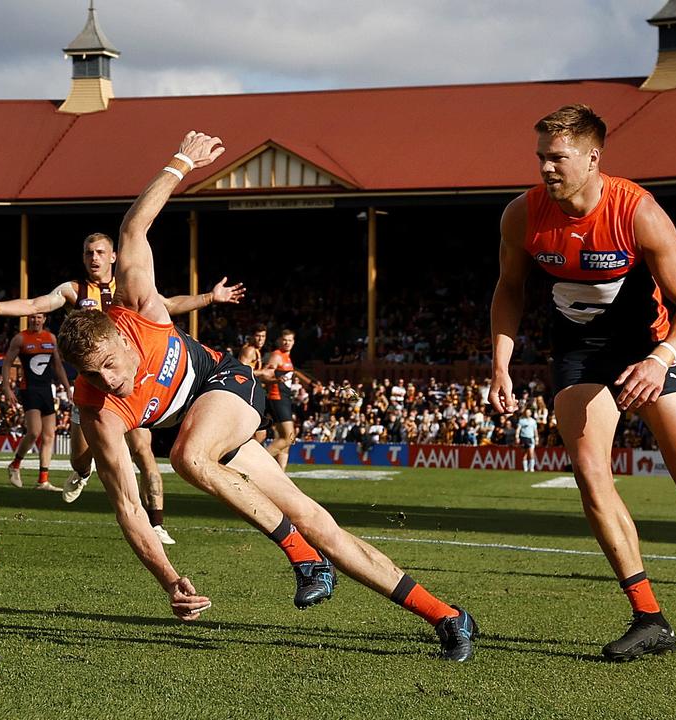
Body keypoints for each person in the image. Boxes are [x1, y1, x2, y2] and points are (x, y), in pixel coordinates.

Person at [59, 130, 476, 660]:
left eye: (110, 367)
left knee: (188, 457)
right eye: (91, 376)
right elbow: (128, 509)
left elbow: (133, 227)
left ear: (119, 335)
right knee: (318, 521)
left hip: (225, 386)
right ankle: (447, 616)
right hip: (207, 430)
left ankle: (303, 559)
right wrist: (168, 580)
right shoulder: (97, 409)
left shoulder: (137, 305)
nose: (108, 381)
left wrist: (182, 160)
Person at [489, 104, 676, 661]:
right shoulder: (522, 215)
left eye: (557, 158)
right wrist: (501, 362)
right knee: (591, 475)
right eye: (540, 158)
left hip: (649, 352)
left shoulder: (638, 211)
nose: (546, 169)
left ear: (592, 156)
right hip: (579, 357)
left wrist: (661, 357)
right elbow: (510, 289)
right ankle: (649, 617)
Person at [0, 235, 244, 545]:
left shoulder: (127, 290)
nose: (93, 257)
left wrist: (210, 297)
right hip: (94, 390)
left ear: (114, 257)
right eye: (87, 252)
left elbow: (170, 304)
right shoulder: (74, 290)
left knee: (143, 452)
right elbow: (36, 303)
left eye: (100, 252)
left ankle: (157, 523)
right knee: (79, 460)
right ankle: (83, 472)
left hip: (132, 383)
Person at [2, 312, 71, 491]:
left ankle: (43, 481)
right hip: (29, 389)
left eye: (39, 317)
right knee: (34, 432)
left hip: (46, 389)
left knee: (49, 435)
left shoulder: (51, 338)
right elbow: (7, 363)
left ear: (44, 319)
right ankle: (15, 465)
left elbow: (57, 365)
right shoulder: (20, 339)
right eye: (32, 317)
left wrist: (67, 388)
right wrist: (7, 388)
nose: (36, 320)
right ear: (28, 319)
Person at [258, 329, 314, 470]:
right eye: (284, 340)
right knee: (289, 437)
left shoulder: (287, 357)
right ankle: (256, 464)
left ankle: (281, 476)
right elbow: (265, 375)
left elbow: (292, 374)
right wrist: (276, 380)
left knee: (285, 441)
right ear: (279, 341)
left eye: (289, 340)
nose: (287, 342)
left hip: (284, 398)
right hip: (277, 397)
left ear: (293, 342)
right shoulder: (276, 356)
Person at [236, 324, 268, 444]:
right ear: (252, 337)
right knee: (259, 433)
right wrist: (263, 372)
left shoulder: (256, 351)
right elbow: (242, 371)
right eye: (258, 336)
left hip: (252, 393)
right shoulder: (249, 350)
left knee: (258, 432)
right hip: (246, 393)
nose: (260, 339)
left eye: (263, 336)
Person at [515, 407, 538, 472]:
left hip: (530, 438)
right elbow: (518, 429)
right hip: (523, 438)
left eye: (529, 412)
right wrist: (517, 437)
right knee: (524, 453)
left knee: (531, 453)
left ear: (530, 413)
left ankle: (531, 468)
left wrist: (537, 438)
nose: (527, 413)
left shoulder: (533, 421)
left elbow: (535, 430)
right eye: (526, 412)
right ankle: (525, 468)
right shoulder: (521, 420)